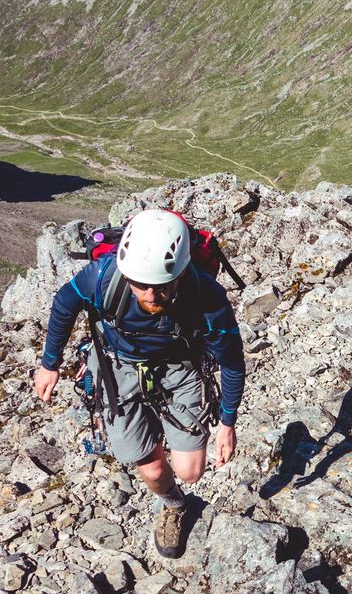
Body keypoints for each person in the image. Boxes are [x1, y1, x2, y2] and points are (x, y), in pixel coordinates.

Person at [33, 209, 245, 558]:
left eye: (161, 286)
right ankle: (174, 505)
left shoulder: (206, 296)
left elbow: (232, 361)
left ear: (179, 273)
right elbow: (64, 303)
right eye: (140, 284)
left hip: (181, 365)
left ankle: (169, 442)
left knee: (190, 472)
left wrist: (227, 423)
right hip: (117, 368)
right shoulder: (103, 277)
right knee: (151, 467)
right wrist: (49, 365)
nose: (149, 294)